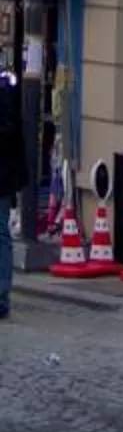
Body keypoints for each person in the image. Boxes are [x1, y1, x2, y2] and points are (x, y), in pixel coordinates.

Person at [0, 70, 23, 318]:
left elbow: (10, 132)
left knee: (0, 233)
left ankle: (1, 296)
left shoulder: (5, 92)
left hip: (2, 176)